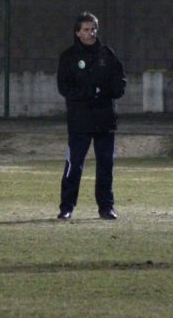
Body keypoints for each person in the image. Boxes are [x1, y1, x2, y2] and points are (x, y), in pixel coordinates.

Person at [57, 11, 126, 220]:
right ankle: (66, 207)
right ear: (78, 33)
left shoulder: (108, 55)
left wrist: (104, 91)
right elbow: (64, 88)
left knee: (105, 165)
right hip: (80, 121)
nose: (91, 33)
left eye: (93, 28)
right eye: (86, 29)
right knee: (74, 164)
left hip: (105, 120)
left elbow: (120, 84)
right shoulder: (68, 57)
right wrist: (90, 93)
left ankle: (106, 207)